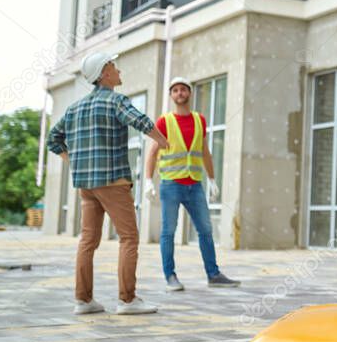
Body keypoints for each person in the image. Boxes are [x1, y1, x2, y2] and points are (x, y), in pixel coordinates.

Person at [48, 52, 167, 315]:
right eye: (114, 66)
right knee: (129, 237)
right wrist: (162, 140)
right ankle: (127, 300)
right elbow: (141, 121)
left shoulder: (74, 108)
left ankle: (83, 300)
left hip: (86, 185)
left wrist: (75, 161)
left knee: (88, 240)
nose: (119, 71)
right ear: (104, 73)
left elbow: (52, 139)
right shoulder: (116, 101)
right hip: (112, 181)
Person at [144, 77, 239, 290]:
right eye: (175, 90)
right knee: (169, 231)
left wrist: (212, 179)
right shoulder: (164, 122)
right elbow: (153, 152)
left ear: (189, 93)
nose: (179, 93)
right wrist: (149, 181)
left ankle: (213, 275)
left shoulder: (199, 120)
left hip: (194, 185)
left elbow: (205, 151)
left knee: (205, 230)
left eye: (183, 90)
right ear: (171, 96)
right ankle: (170, 276)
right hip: (170, 185)